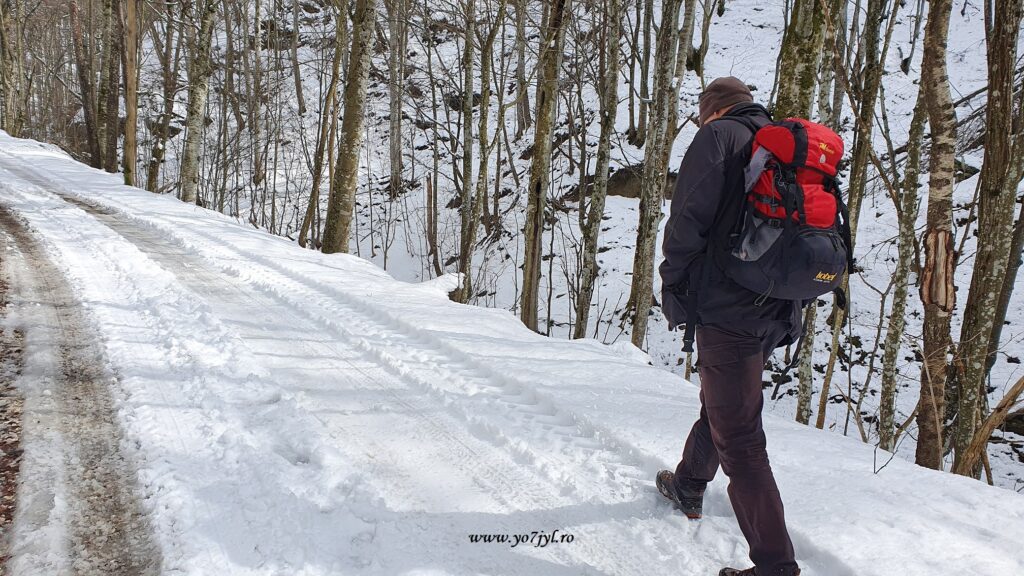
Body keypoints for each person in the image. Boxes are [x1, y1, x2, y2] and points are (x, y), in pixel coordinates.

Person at [655, 77, 802, 576]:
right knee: (723, 401)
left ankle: (776, 566)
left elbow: (687, 219)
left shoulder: (719, 138)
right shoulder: (782, 140)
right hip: (778, 307)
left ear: (710, 110)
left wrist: (673, 284)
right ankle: (690, 484)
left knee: (740, 438)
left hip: (729, 308)